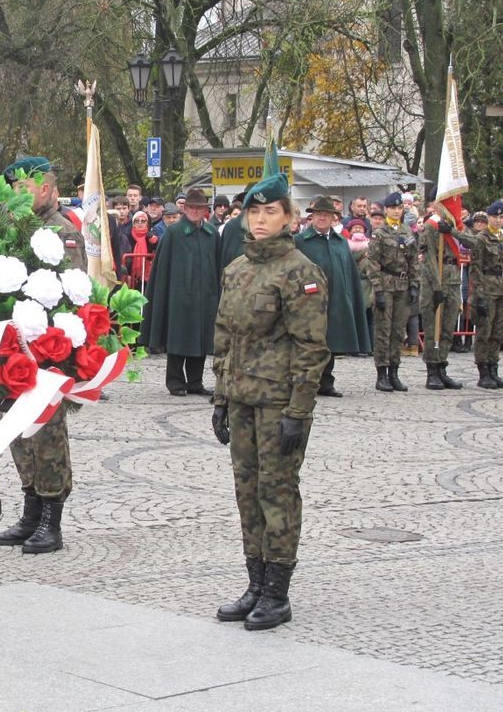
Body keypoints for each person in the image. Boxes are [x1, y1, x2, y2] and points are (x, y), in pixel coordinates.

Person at [211, 168, 328, 632]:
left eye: (270, 212)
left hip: (279, 402)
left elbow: (311, 346)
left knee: (276, 493)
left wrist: (299, 411)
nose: (260, 220)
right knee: (246, 493)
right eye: (253, 212)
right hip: (241, 398)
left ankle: (277, 592)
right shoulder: (236, 270)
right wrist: (220, 398)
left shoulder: (301, 272)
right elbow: (224, 339)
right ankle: (255, 583)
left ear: (288, 217)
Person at [0, 157, 86, 555]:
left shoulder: (62, 232)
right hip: (16, 348)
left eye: (24, 188)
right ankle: (31, 507)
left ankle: (52, 518)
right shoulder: (12, 229)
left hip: (50, 351)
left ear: (46, 189)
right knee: (18, 431)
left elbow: (74, 291)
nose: (16, 195)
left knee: (47, 433)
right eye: (12, 188)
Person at [145, 188, 221, 396]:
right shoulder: (174, 232)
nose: (195, 211)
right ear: (185, 209)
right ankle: (176, 381)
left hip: (205, 296)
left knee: (201, 339)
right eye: (191, 208)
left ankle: (195, 382)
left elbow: (217, 264)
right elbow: (162, 268)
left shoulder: (212, 234)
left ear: (205, 210)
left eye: (199, 208)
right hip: (178, 296)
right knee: (178, 338)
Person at [295, 196, 371, 396]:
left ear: (333, 218)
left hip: (336, 299)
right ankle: (308, 381)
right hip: (309, 302)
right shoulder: (300, 242)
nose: (322, 218)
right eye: (318, 214)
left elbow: (349, 272)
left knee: (331, 341)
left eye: (326, 215)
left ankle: (326, 382)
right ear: (311, 218)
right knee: (311, 343)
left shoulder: (340, 243)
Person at [451, 201, 503, 388]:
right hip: (486, 289)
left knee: (498, 332)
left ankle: (493, 368)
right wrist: (478, 296)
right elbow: (476, 270)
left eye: (501, 217)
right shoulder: (481, 238)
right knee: (484, 332)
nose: (498, 220)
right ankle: (483, 372)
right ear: (489, 217)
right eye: (495, 217)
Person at [367, 191, 417, 392]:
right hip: (386, 285)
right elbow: (373, 263)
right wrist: (378, 290)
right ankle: (382, 373)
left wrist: (414, 285)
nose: (397, 211)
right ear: (385, 210)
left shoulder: (407, 231)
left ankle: (394, 372)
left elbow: (413, 261)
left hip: (403, 285)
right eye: (393, 208)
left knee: (398, 331)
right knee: (383, 330)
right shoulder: (380, 233)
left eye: (399, 208)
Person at [418, 203, 467, 389]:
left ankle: (442, 367)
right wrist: (437, 286)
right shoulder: (431, 225)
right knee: (433, 328)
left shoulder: (455, 225)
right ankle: (432, 370)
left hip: (453, 279)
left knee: (448, 327)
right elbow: (429, 257)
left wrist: (453, 232)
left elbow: (473, 242)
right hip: (433, 282)